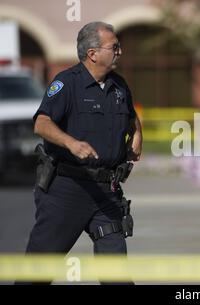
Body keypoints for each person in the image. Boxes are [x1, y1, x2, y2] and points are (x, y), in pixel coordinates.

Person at [21, 21, 142, 284]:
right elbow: (42, 123)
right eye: (115, 47)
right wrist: (71, 143)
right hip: (67, 192)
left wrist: (137, 135)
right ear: (93, 53)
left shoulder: (119, 86)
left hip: (106, 193)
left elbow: (131, 117)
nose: (120, 51)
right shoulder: (67, 83)